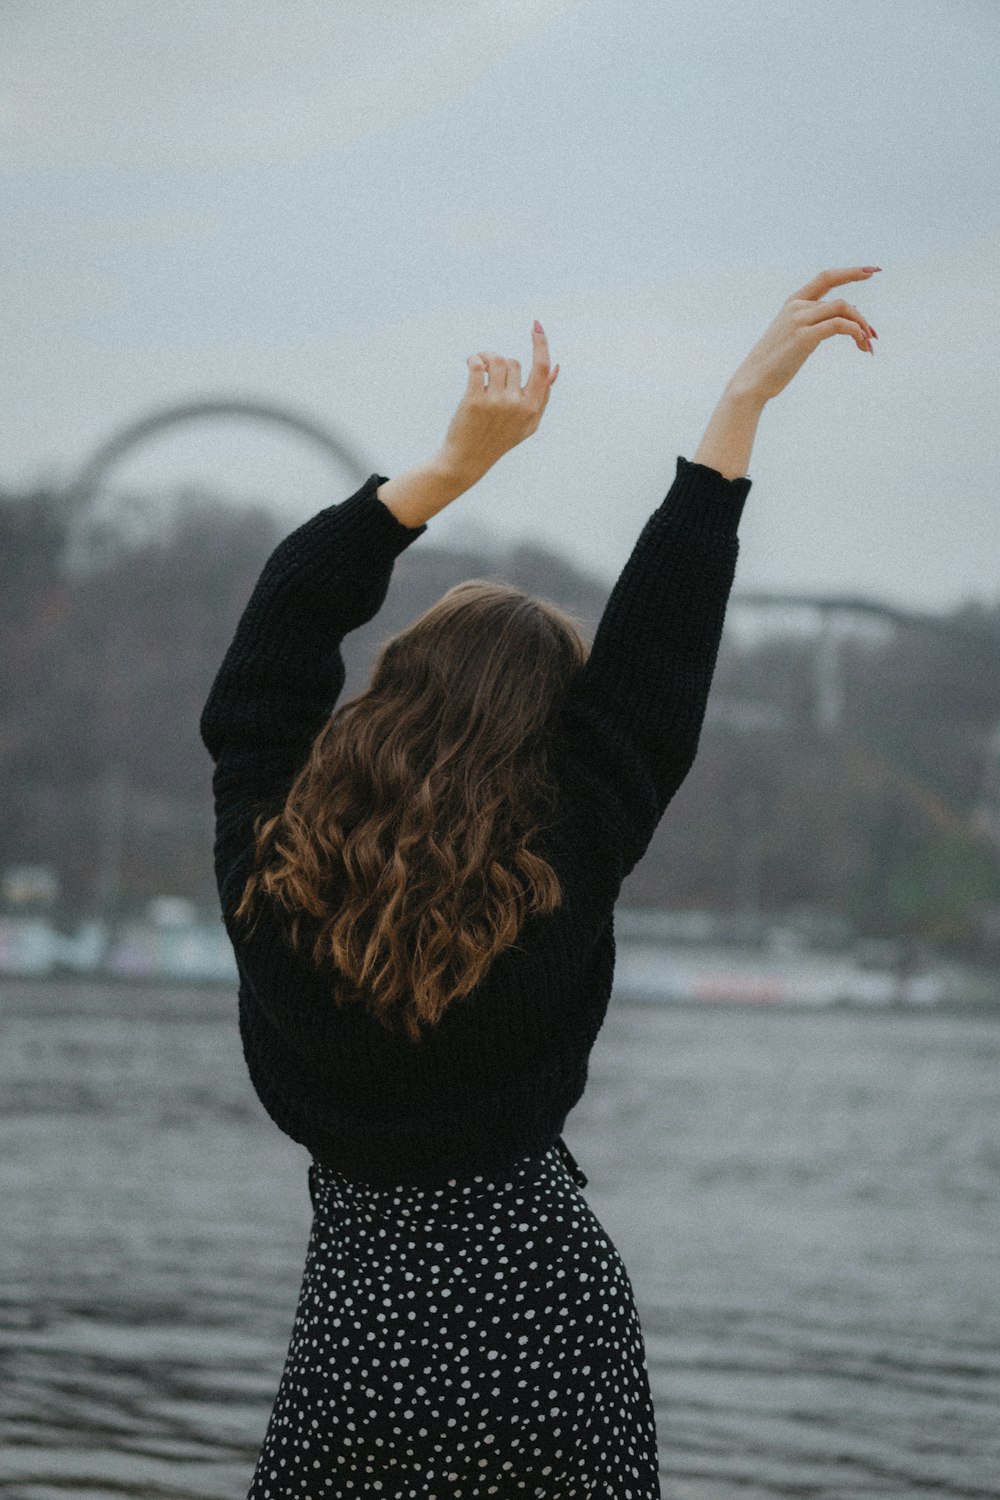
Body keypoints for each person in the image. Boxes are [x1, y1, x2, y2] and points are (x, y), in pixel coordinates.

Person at [199, 264, 881, 1499]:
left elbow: (276, 645)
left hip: (354, 1338)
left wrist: (448, 472)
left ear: (391, 697)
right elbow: (655, 663)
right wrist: (739, 403)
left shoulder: (274, 871)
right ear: (546, 744)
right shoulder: (558, 863)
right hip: (545, 1330)